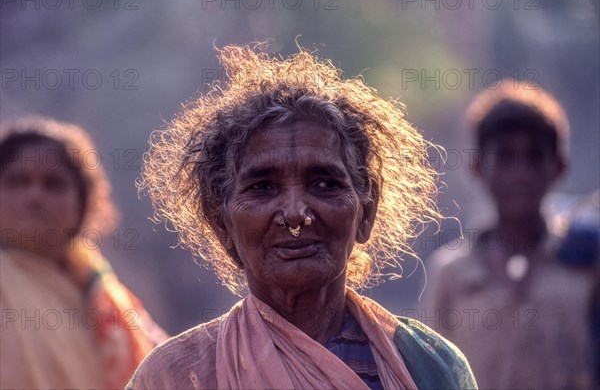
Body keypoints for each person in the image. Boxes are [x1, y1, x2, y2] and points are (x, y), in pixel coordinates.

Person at [128, 44, 476, 389]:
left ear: (365, 210)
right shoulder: (175, 377)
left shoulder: (428, 367)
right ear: (222, 223)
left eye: (324, 183)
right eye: (263, 187)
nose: (295, 214)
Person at [424, 82, 595, 388]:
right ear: (478, 166)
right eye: (504, 157)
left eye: (533, 157)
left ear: (557, 167)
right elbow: (429, 372)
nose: (519, 173)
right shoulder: (452, 274)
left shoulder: (585, 264)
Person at [0, 118, 167, 389]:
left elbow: (166, 367)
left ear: (83, 200)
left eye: (52, 184)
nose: (34, 196)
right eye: (17, 182)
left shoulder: (105, 294)